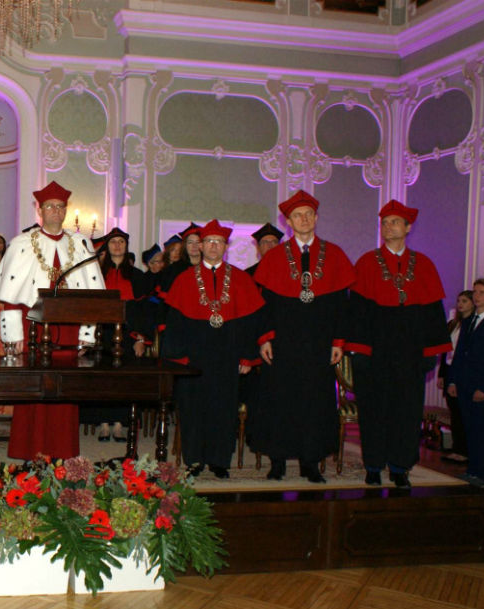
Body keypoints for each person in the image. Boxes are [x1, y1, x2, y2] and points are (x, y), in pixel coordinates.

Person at [0, 181, 105, 460]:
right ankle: (30, 449)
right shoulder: (22, 243)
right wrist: (13, 336)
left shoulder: (81, 244)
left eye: (60, 207)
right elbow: (11, 296)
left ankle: (63, 451)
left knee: (64, 389)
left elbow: (92, 297)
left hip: (69, 328)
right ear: (39, 211)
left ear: (66, 211)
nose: (55, 211)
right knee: (34, 388)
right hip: (33, 327)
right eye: (50, 206)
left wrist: (87, 335)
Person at [251, 191, 355, 482]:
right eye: (298, 215)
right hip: (283, 343)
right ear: (289, 222)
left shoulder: (334, 254)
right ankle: (278, 462)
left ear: (316, 218)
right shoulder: (274, 257)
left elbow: (341, 304)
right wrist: (265, 338)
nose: (304, 219)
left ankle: (311, 462)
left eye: (309, 214)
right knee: (279, 400)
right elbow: (264, 304)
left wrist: (338, 341)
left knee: (314, 402)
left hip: (318, 343)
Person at [347, 199, 451, 488]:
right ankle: (373, 465)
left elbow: (433, 314)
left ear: (408, 227)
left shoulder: (425, 265)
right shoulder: (367, 262)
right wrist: (360, 351)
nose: (389, 227)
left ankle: (399, 467)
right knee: (374, 410)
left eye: (395, 222)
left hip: (410, 353)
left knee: (406, 412)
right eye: (385, 222)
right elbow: (357, 312)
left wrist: (430, 353)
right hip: (376, 352)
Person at [160, 220, 263, 478]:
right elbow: (175, 322)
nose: (214, 246)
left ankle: (219, 460)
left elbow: (248, 323)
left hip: (227, 353)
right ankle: (194, 459)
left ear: (226, 247)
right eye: (209, 242)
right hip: (193, 354)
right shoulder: (184, 280)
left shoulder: (241, 279)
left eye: (219, 242)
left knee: (224, 407)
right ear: (201, 247)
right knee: (192, 407)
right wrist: (178, 357)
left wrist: (247, 357)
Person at [80, 227, 150, 442]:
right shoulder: (97, 274)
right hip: (102, 334)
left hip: (129, 334)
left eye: (121, 242)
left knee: (124, 380)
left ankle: (120, 423)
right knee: (102, 379)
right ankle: (103, 422)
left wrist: (140, 338)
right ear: (107, 247)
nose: (117, 245)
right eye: (113, 242)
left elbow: (144, 311)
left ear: (126, 246)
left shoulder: (138, 276)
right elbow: (88, 307)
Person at [445, 279, 484, 488]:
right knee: (470, 429)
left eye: (482, 292)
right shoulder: (468, 321)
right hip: (464, 383)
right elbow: (458, 354)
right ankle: (473, 469)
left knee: (482, 430)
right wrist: (452, 380)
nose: (476, 296)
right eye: (475, 291)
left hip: (482, 386)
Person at [437, 290, 474, 462]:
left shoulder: (472, 324)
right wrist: (442, 374)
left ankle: (464, 450)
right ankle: (457, 448)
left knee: (463, 413)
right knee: (454, 412)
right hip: (450, 370)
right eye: (459, 301)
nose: (460, 304)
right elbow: (445, 352)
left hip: (462, 373)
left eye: (465, 301)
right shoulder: (453, 324)